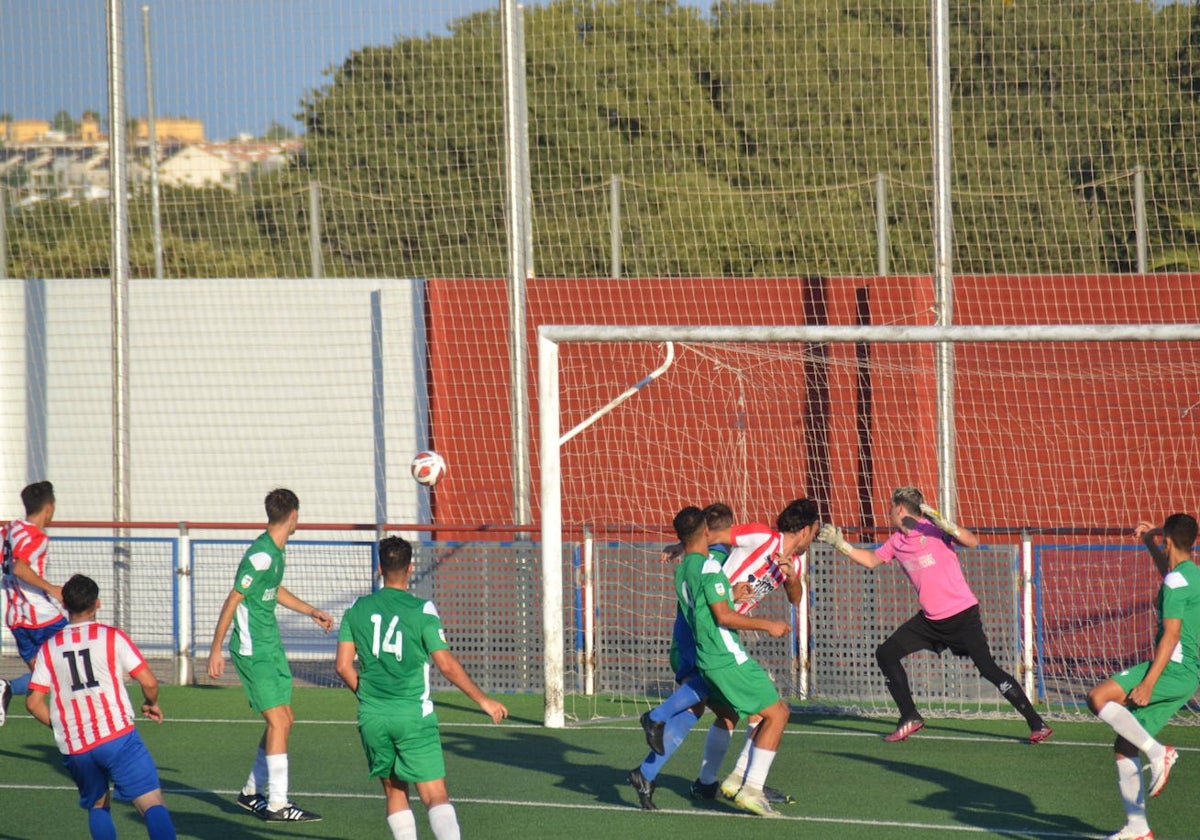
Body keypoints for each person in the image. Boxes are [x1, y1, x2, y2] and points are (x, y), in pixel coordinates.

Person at [818, 486, 1052, 743]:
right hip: (930, 621)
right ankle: (909, 716)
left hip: (963, 616)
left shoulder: (933, 529)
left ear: (899, 509)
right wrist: (841, 545)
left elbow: (972, 542)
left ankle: (1036, 723)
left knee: (988, 669)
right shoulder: (896, 541)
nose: (888, 512)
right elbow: (871, 560)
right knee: (886, 653)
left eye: (890, 508)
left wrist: (948, 524)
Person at [632, 499, 820, 809]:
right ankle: (742, 782)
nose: (814, 537)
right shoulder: (761, 537)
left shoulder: (795, 563)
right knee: (765, 710)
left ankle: (705, 781)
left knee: (727, 712)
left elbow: (795, 598)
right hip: (713, 626)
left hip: (725, 630)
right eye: (814, 531)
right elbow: (714, 536)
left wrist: (791, 579)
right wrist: (684, 548)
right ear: (804, 530)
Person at [335, 536, 509, 840]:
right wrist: (483, 700)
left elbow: (342, 666)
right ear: (411, 568)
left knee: (395, 791)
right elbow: (446, 664)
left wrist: (368, 696)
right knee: (435, 795)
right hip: (413, 716)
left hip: (373, 717)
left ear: (380, 568)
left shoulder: (357, 608)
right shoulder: (422, 609)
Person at [207, 488, 333, 822]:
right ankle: (278, 804)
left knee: (285, 718)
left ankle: (250, 792)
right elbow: (234, 598)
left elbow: (272, 589)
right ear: (293, 515)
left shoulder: (276, 552)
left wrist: (310, 611)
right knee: (278, 720)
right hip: (253, 649)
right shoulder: (260, 554)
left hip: (270, 644)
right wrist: (216, 649)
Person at [25, 574, 177, 839]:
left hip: (76, 746)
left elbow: (33, 702)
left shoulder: (49, 648)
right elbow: (149, 682)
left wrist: (61, 725)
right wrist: (150, 703)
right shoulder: (112, 637)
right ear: (98, 603)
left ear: (64, 605)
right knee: (151, 802)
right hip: (116, 735)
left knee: (98, 805)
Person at [1086, 514, 1200, 840]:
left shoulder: (1176, 582)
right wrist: (1152, 538)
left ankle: (1159, 753)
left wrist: (1148, 683)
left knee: (1097, 697)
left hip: (1172, 668)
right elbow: (1168, 573)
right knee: (1125, 743)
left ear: (1167, 539)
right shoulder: (1189, 575)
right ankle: (1138, 830)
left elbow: (1171, 635)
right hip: (1187, 674)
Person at [1, 480, 66, 727]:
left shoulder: (9, 529)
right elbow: (19, 567)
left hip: (14, 617)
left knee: (43, 680)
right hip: (39, 615)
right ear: (49, 508)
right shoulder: (37, 537)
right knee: (78, 647)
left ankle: (65, 739)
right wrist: (54, 590)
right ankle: (5, 686)